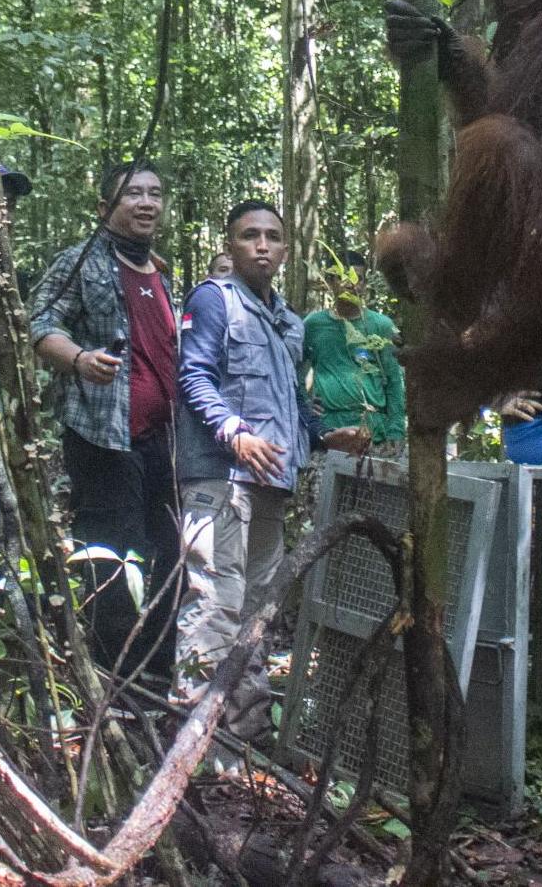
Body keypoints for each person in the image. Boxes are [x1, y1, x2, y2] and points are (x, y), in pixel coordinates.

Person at [174, 200, 370, 731]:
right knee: (215, 602)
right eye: (249, 235)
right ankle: (198, 738)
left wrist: (323, 435)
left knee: (257, 608)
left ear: (286, 249)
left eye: (272, 236)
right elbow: (193, 375)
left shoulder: (287, 320)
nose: (262, 245)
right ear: (230, 245)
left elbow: (290, 399)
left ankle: (246, 733)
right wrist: (233, 431)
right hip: (220, 476)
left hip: (271, 480)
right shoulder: (213, 300)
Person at [30, 161, 181, 678]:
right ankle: (111, 676)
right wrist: (78, 359)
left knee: (172, 551)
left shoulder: (160, 271)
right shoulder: (80, 262)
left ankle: (157, 667)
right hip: (104, 437)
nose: (146, 203)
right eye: (133, 193)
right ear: (104, 208)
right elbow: (39, 321)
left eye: (154, 193)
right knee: (112, 555)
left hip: (165, 442)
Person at [302, 252, 405, 450]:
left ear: (365, 285)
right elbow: (294, 371)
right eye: (344, 277)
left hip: (374, 430)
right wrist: (305, 406)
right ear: (330, 281)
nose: (351, 284)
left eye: (359, 278)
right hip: (328, 430)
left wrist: (396, 429)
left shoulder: (381, 325)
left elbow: (393, 381)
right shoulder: (313, 325)